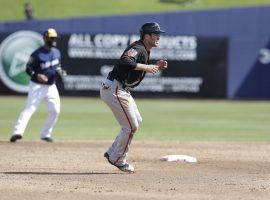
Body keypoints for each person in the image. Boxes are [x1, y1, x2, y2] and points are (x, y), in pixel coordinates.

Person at [100, 22, 167, 173]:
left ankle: (113, 152)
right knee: (131, 126)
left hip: (120, 89)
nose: (158, 37)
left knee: (136, 120)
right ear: (147, 36)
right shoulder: (138, 48)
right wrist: (147, 67)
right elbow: (125, 61)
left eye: (159, 34)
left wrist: (155, 66)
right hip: (115, 88)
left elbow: (136, 66)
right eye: (155, 34)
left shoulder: (143, 49)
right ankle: (117, 159)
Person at [10, 28, 67, 143]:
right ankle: (17, 132)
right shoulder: (37, 54)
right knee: (30, 109)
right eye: (52, 38)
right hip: (37, 86)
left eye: (55, 38)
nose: (54, 40)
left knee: (55, 110)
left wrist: (61, 72)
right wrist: (36, 75)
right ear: (45, 38)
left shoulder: (57, 52)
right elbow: (28, 68)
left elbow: (57, 66)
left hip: (51, 86)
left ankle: (45, 134)